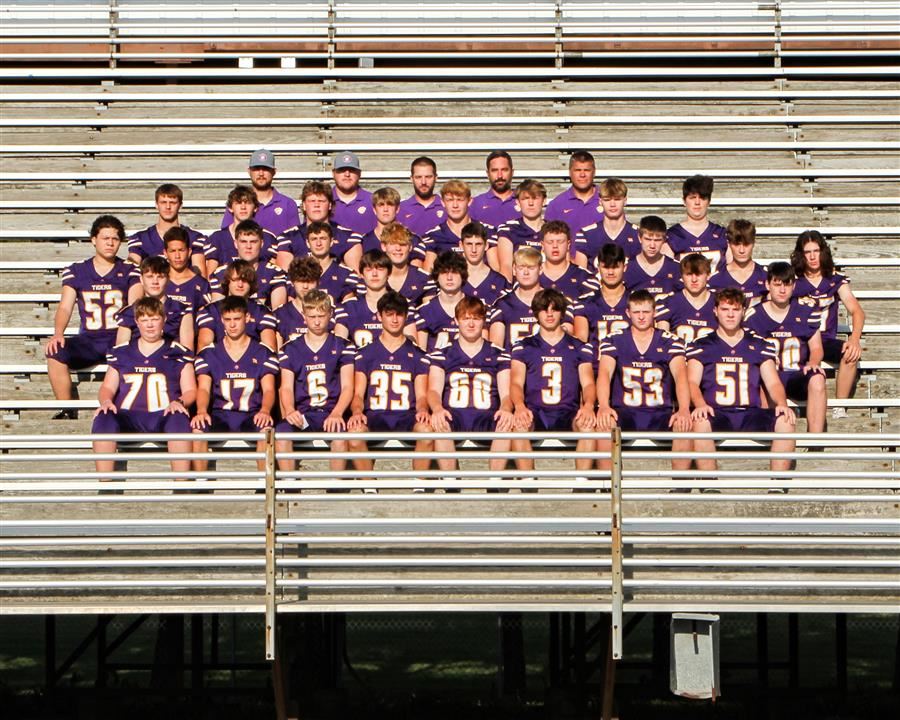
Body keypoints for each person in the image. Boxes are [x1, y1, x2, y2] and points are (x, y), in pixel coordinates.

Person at [686, 288, 797, 485]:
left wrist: (781, 402)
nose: (730, 314)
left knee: (785, 420)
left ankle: (778, 485)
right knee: (700, 422)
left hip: (750, 413)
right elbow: (692, 382)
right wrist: (700, 404)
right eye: (725, 309)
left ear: (743, 312)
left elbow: (772, 382)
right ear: (715, 311)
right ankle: (710, 485)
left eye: (735, 310)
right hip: (718, 413)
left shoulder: (759, 344)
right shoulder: (702, 345)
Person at [92, 297, 196, 488]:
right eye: (145, 319)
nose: (150, 325)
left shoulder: (178, 352)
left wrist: (180, 402)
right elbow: (107, 386)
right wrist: (106, 400)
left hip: (163, 414)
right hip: (128, 415)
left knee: (179, 418)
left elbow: (190, 390)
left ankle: (182, 485)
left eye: (155, 319)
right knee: (104, 416)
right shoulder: (122, 352)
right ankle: (105, 484)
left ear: (164, 320)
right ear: (137, 322)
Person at [45, 215, 142, 418]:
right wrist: (58, 333)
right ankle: (67, 409)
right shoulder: (77, 270)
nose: (110, 243)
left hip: (119, 337)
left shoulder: (130, 270)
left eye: (115, 239)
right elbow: (65, 307)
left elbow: (134, 306)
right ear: (93, 240)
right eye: (105, 238)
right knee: (55, 351)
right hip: (89, 339)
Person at [595, 289, 693, 474]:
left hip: (659, 412)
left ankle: (681, 485)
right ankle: (610, 484)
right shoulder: (614, 339)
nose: (641, 317)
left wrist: (684, 409)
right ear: (628, 313)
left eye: (646, 312)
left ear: (654, 313)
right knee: (604, 424)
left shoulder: (669, 342)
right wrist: (603, 406)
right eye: (637, 312)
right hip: (625, 412)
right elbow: (604, 373)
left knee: (683, 424)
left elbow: (681, 375)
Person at [510, 289, 597, 481]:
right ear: (535, 313)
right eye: (544, 309)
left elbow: (589, 383)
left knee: (588, 424)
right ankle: (528, 482)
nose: (549, 314)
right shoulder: (524, 346)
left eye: (554, 309)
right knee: (519, 425)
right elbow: (516, 382)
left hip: (567, 412)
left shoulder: (579, 347)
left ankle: (582, 483)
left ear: (562, 313)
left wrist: (589, 406)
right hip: (536, 412)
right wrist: (519, 406)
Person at [347, 291, 433, 485]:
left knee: (427, 431)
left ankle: (419, 485)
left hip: (406, 416)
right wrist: (358, 411)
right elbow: (358, 393)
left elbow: (421, 395)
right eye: (389, 314)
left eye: (399, 314)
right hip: (376, 415)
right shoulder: (365, 354)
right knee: (354, 433)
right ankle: (368, 485)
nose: (394, 319)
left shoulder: (417, 355)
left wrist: (422, 410)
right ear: (379, 316)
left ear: (406, 316)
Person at [428, 296, 515, 484]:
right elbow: (433, 390)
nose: (471, 323)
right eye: (466, 318)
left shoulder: (498, 354)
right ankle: (451, 483)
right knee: (440, 423)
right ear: (457, 321)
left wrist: (506, 408)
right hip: (455, 416)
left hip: (486, 416)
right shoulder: (442, 354)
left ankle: (495, 482)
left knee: (506, 423)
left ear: (484, 321)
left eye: (476, 318)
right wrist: (436, 409)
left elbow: (506, 393)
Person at [190, 296, 278, 474]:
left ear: (247, 318)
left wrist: (265, 410)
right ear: (221, 320)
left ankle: (264, 483)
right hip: (221, 414)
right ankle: (199, 482)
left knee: (266, 429)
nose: (232, 325)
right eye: (228, 320)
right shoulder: (209, 353)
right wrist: (201, 410)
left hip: (251, 413)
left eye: (237, 319)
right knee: (198, 428)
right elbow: (204, 388)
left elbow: (269, 389)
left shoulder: (262, 352)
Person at [275, 290, 356, 477]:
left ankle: (336, 486)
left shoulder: (343, 346)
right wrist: (289, 410)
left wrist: (337, 413)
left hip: (330, 411)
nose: (317, 321)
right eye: (312, 317)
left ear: (330, 315)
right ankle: (289, 484)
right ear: (304, 317)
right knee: (282, 431)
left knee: (340, 434)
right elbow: (285, 387)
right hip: (304, 413)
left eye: (321, 316)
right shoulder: (290, 348)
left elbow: (347, 387)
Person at [745, 262, 827, 433]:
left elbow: (817, 347)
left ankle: (816, 442)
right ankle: (768, 438)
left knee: (817, 378)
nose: (782, 290)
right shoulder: (753, 317)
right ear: (767, 285)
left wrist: (813, 361)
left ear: (794, 286)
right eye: (777, 284)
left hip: (796, 375)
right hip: (769, 378)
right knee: (759, 380)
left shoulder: (806, 312)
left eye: (787, 284)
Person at [790, 230, 865, 413]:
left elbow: (857, 311)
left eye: (816, 251)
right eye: (808, 252)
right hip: (800, 340)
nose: (813, 256)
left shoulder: (835, 280)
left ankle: (840, 407)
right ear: (801, 255)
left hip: (825, 339)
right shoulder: (792, 281)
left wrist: (854, 340)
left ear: (823, 251)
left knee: (850, 353)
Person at [275, 180, 360, 271]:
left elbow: (356, 276)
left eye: (321, 201)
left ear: (330, 205)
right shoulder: (289, 238)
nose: (316, 205)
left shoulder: (348, 237)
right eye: (312, 201)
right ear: (304, 205)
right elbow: (284, 276)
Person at [115, 256, 193, 350]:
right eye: (150, 277)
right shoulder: (128, 313)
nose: (155, 282)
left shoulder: (182, 310)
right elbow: (120, 353)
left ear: (168, 279)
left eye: (160, 277)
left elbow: (187, 351)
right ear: (141, 279)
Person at [195, 261, 277, 350]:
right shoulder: (211, 311)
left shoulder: (262, 311)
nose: (240, 285)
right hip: (220, 361)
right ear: (227, 281)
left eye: (245, 281)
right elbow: (204, 348)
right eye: (235, 280)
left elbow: (269, 349)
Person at [334, 249, 407, 348]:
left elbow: (409, 347)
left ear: (389, 273)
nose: (374, 274)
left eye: (380, 269)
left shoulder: (402, 304)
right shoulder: (348, 307)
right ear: (362, 274)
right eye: (369, 269)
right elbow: (338, 347)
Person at [209, 220, 288, 310]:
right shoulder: (221, 273)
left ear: (262, 244)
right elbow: (216, 311)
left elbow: (278, 312)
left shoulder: (274, 273)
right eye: (243, 241)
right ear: (235, 243)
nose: (248, 246)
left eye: (253, 242)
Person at [220, 149, 299, 238]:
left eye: (266, 169)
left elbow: (295, 239)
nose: (261, 173)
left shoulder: (288, 204)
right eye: (256, 169)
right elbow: (227, 236)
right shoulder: (238, 203)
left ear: (274, 172)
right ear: (249, 172)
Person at [421, 180, 498, 272]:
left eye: (460, 200)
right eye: (450, 200)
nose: (455, 205)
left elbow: (496, 271)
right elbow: (428, 276)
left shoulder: (487, 231)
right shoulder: (433, 236)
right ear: (442, 202)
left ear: (469, 201)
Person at [205, 185, 278, 277]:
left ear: (255, 207)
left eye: (247, 203)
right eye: (238, 203)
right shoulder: (217, 239)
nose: (243, 207)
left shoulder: (268, 238)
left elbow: (275, 272)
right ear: (230, 208)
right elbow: (210, 277)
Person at [127, 183, 206, 267]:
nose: (168, 207)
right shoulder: (141, 238)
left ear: (180, 205)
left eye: (172, 202)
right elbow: (132, 273)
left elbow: (199, 274)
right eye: (163, 202)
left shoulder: (194, 238)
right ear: (156, 204)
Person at [664, 175, 728, 271]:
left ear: (709, 201)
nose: (697, 202)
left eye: (702, 198)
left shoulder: (722, 234)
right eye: (692, 197)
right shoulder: (672, 236)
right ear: (684, 201)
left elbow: (732, 271)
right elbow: (667, 273)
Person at [571, 243, 629, 347]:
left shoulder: (635, 301)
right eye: (606, 267)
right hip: (595, 361)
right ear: (598, 268)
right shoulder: (585, 303)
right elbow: (581, 343)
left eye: (615, 267)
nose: (610, 272)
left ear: (624, 267)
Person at [573, 177, 641, 267]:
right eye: (607, 200)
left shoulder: (639, 235)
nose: (612, 204)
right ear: (600, 201)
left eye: (617, 199)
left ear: (625, 200)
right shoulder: (586, 234)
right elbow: (580, 274)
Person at [655, 253, 718, 347]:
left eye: (699, 274)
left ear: (708, 275)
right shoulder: (668, 303)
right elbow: (662, 344)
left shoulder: (719, 303)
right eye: (689, 274)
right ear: (682, 277)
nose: (694, 279)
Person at [488, 246, 543, 351]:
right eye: (521, 268)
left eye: (531, 268)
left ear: (540, 269)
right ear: (514, 270)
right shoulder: (503, 304)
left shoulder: (553, 301)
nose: (525, 273)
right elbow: (496, 347)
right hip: (511, 365)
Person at [414, 251, 468, 352]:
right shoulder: (424, 311)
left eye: (455, 272)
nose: (449, 278)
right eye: (444, 272)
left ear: (463, 275)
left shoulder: (476, 307)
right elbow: (421, 352)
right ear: (436, 276)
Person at [300, 220, 362, 305]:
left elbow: (348, 310)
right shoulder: (298, 272)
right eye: (314, 239)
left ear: (331, 241)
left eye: (323, 238)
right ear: (307, 243)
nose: (318, 243)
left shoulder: (346, 274)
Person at [496, 179, 547, 281]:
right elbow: (506, 266)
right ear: (518, 202)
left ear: (544, 201)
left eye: (535, 198)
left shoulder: (553, 230)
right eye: (525, 199)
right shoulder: (508, 229)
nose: (530, 203)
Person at [708, 218, 768, 305]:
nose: (742, 250)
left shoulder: (766, 276)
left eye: (746, 244)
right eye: (736, 244)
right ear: (729, 244)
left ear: (754, 243)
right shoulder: (715, 279)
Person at [623, 215, 683, 298]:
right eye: (648, 239)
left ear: (664, 240)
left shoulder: (676, 268)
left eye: (657, 240)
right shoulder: (626, 268)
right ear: (639, 238)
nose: (652, 245)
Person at [544, 150, 601, 237]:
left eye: (587, 170)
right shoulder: (556, 205)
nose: (582, 174)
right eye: (577, 170)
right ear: (570, 172)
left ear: (594, 172)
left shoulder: (607, 201)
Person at [538, 220, 597, 302]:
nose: (555, 246)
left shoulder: (584, 278)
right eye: (550, 242)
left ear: (568, 245)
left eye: (560, 242)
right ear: (542, 245)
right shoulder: (531, 276)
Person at [274, 256, 322, 348]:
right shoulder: (280, 314)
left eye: (310, 281)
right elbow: (278, 353)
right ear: (292, 282)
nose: (305, 286)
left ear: (318, 282)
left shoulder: (329, 313)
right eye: (300, 281)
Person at [381, 221, 433, 305]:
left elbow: (429, 313)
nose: (398, 248)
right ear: (383, 246)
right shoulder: (374, 277)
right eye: (393, 243)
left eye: (403, 244)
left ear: (410, 247)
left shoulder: (424, 279)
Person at [352, 187, 416, 254]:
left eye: (390, 204)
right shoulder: (364, 241)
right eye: (381, 205)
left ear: (397, 209)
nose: (385, 209)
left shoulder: (411, 239)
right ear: (374, 210)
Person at [163, 227, 212, 313]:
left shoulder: (201, 284)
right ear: (165, 253)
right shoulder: (158, 282)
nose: (177, 256)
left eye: (181, 250)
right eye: (173, 251)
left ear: (189, 252)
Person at [460, 222, 509, 306]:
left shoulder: (500, 281)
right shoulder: (453, 279)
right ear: (461, 245)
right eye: (469, 244)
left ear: (486, 246)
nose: (474, 250)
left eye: (478, 244)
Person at [331, 150, 376, 235]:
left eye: (352, 170)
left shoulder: (373, 201)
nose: (347, 174)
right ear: (333, 173)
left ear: (359, 173)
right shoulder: (323, 201)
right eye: (342, 170)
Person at [470, 150, 518, 229]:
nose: (500, 176)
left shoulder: (524, 202)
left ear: (512, 172)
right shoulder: (476, 204)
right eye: (494, 170)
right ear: (488, 174)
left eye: (504, 170)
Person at [398, 156, 444, 237]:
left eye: (428, 177)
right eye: (418, 177)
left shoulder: (448, 207)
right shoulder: (400, 209)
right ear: (411, 179)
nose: (423, 182)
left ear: (436, 178)